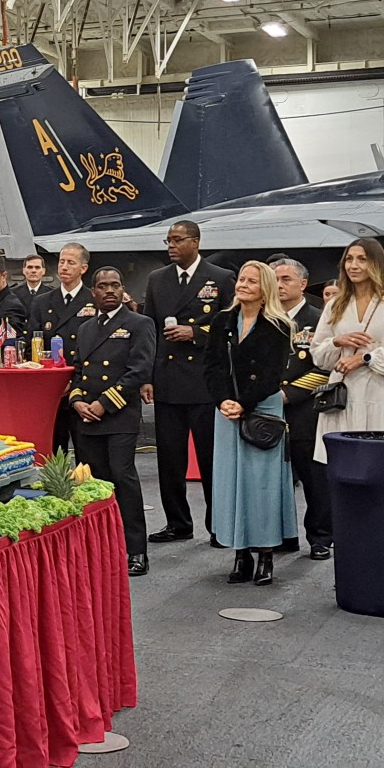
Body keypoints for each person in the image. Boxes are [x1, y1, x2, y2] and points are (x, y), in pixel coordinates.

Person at [139, 221, 235, 543]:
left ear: (195, 241)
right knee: (170, 460)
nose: (171, 245)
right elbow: (150, 331)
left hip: (205, 384)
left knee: (210, 460)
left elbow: (230, 328)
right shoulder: (157, 279)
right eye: (168, 240)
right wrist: (148, 377)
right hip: (168, 380)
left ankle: (218, 524)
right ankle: (178, 523)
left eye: (178, 240)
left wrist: (195, 333)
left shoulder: (220, 278)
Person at [205, 261, 295, 585]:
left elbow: (272, 375)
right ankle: (240, 553)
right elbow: (212, 366)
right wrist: (223, 401)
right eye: (241, 279)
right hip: (227, 409)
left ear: (264, 289)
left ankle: (266, 554)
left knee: (262, 485)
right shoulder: (222, 321)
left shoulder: (278, 326)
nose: (242, 285)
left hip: (261, 409)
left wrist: (244, 403)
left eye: (251, 281)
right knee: (231, 482)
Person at [65, 266, 156, 576]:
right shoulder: (86, 328)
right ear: (94, 292)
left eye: (115, 285)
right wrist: (77, 401)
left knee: (123, 478)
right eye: (103, 286)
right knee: (95, 483)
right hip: (88, 417)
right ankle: (103, 547)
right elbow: (78, 370)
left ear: (122, 289)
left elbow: (138, 371)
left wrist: (104, 404)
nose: (109, 291)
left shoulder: (139, 324)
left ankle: (136, 550)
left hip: (118, 415)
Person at [311, 239, 384, 468]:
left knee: (380, 464)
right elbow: (318, 355)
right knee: (341, 465)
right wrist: (337, 341)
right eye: (349, 259)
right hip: (341, 397)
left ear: (376, 263)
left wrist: (365, 358)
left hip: (381, 393)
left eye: (362, 259)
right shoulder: (335, 304)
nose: (354, 265)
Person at [272, 257, 334, 558]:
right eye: (275, 279)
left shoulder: (320, 319)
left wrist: (289, 393)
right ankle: (282, 535)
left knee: (314, 479)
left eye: (286, 279)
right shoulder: (264, 317)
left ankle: (320, 537)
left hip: (305, 408)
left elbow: (325, 368)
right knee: (274, 480)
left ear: (303, 284)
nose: (279, 285)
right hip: (268, 409)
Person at [34, 243, 96, 452]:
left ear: (83, 268)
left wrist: (75, 380)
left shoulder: (93, 300)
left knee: (86, 452)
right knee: (54, 449)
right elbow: (33, 344)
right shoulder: (42, 302)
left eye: (71, 262)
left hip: (83, 386)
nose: (64, 267)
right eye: (61, 262)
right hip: (52, 387)